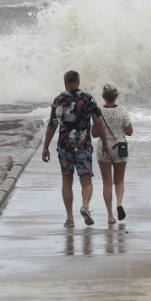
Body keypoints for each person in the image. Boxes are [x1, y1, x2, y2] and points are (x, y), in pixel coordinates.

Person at [42, 70, 110, 227]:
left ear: (65, 83)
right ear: (78, 82)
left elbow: (52, 125)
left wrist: (46, 147)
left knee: (67, 182)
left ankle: (70, 218)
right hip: (83, 146)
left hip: (65, 147)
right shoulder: (88, 98)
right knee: (86, 182)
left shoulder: (58, 100)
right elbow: (98, 123)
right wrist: (105, 142)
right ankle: (85, 206)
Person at [96, 83, 133, 224]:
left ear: (103, 97)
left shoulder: (98, 111)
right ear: (116, 96)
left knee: (107, 183)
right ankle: (119, 203)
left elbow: (94, 133)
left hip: (103, 149)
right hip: (120, 148)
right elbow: (129, 132)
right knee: (119, 181)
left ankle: (110, 216)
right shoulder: (122, 111)